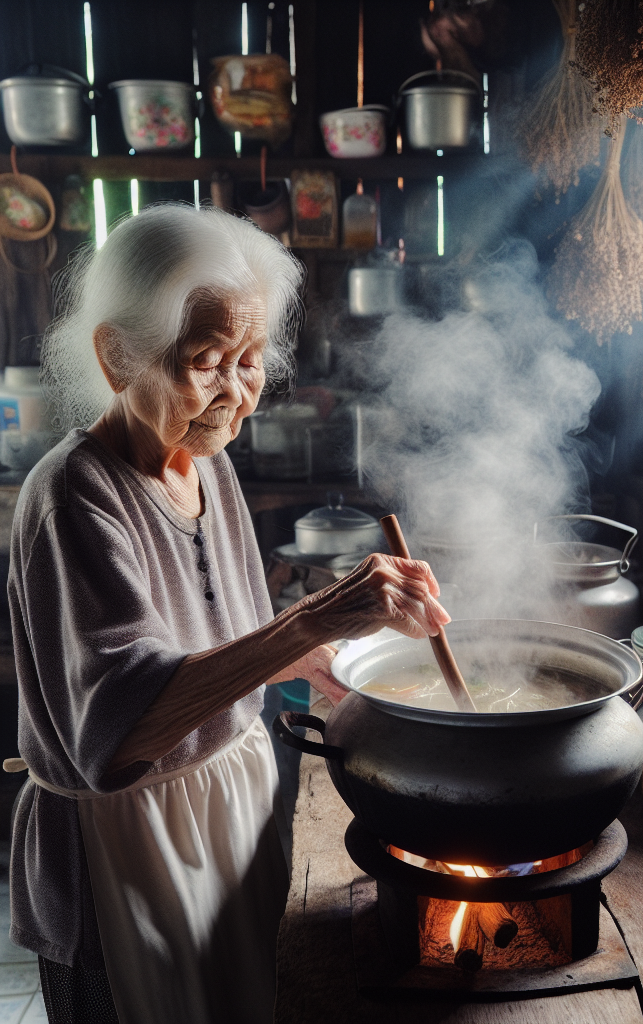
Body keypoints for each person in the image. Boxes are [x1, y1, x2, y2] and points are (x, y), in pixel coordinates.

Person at [5, 204, 449, 1024]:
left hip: (230, 811)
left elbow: (214, 652)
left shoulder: (207, 466)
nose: (237, 396)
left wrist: (307, 661)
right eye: (207, 361)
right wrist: (310, 622)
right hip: (129, 848)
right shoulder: (75, 495)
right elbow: (120, 734)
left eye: (250, 362)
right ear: (117, 355)